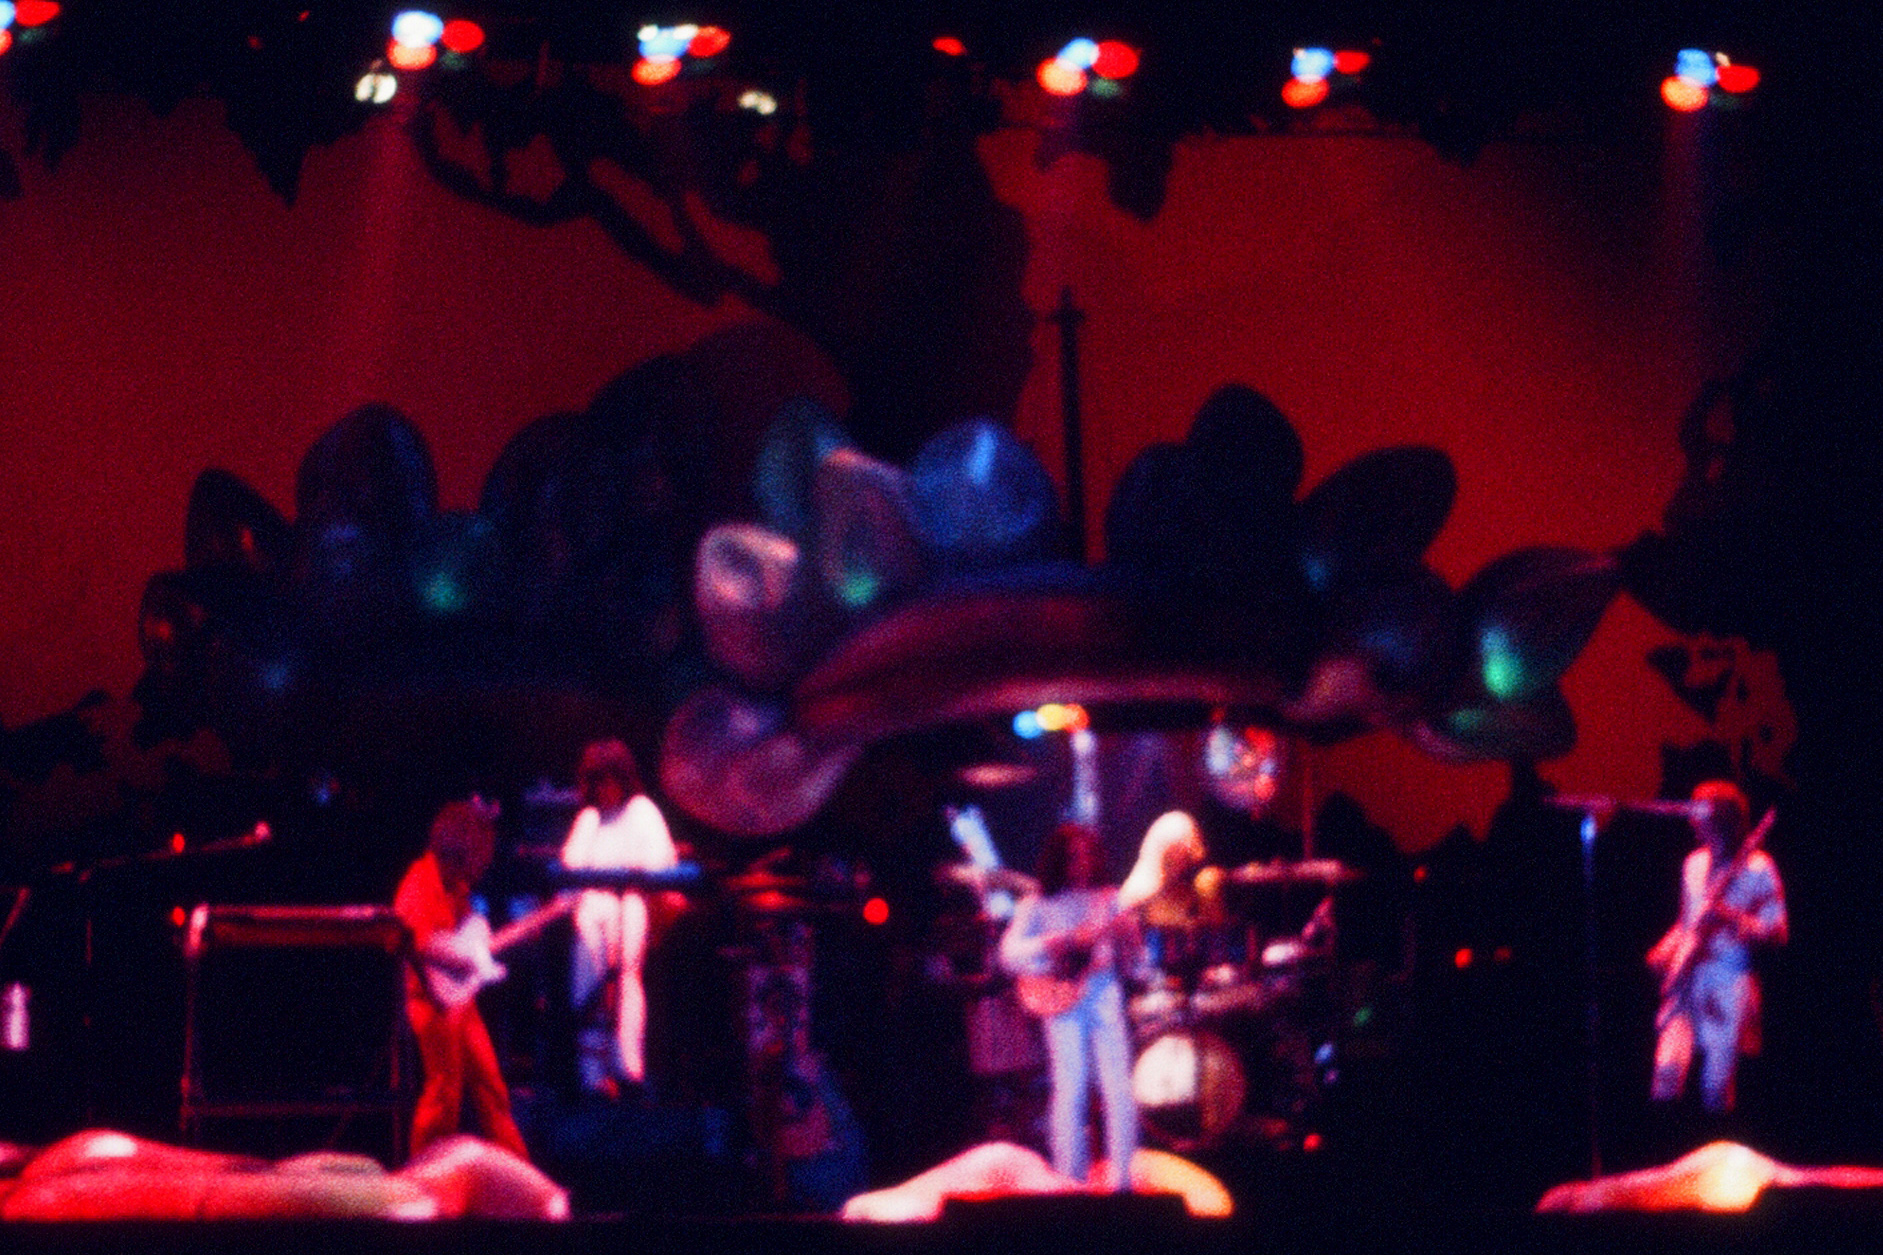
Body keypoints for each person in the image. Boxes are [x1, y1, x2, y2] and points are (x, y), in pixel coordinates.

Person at [998, 821, 1138, 1190]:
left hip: (1103, 989)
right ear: (1060, 860)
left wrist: (1132, 941)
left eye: (1088, 856)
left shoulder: (1111, 898)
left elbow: (1137, 964)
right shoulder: (1038, 903)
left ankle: (1123, 1182)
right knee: (1070, 1086)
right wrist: (1053, 943)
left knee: (1119, 1087)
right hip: (1060, 995)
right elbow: (1008, 955)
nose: (1082, 864)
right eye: (1074, 857)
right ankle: (1068, 1182)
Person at [393, 797, 530, 1160]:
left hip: (459, 1001)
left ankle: (518, 1169)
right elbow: (418, 942)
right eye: (481, 853)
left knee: (491, 1088)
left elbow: (468, 937)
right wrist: (466, 958)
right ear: (464, 849)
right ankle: (423, 1174)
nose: (484, 864)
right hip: (430, 1002)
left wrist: (491, 944)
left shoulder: (456, 886)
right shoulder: (420, 882)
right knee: (444, 1093)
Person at [1647, 779, 1788, 1113]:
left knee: (1715, 1085)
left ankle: (1717, 1140)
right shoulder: (1693, 864)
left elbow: (1778, 932)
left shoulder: (1758, 867)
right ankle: (1667, 1141)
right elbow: (1686, 921)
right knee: (1666, 1072)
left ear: (1723, 817)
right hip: (1685, 977)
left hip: (1727, 981)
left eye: (1700, 812)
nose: (1692, 820)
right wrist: (1665, 948)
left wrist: (1729, 917)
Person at [559, 738, 681, 1095]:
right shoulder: (589, 819)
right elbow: (569, 871)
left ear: (623, 779)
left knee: (627, 979)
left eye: (609, 780)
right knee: (588, 986)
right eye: (597, 782)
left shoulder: (642, 811)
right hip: (592, 910)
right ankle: (593, 1074)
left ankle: (628, 1066)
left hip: (631, 904)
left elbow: (660, 866)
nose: (604, 789)